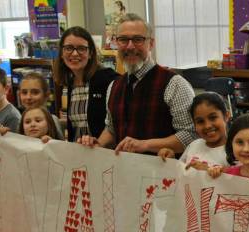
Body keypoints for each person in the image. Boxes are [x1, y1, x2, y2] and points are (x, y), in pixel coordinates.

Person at [77, 14, 196, 155]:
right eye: (123, 40)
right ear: (116, 42)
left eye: (138, 39)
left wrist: (145, 145)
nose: (130, 46)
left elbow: (191, 135)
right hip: (125, 173)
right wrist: (97, 145)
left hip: (162, 174)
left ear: (151, 43)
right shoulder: (114, 86)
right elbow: (111, 129)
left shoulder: (175, 84)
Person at [52, 26, 119, 141]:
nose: (74, 54)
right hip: (79, 154)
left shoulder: (107, 79)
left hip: (103, 153)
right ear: (62, 53)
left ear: (91, 53)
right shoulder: (70, 83)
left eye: (81, 48)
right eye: (68, 48)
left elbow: (116, 125)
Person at [158, 92, 230, 171]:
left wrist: (207, 172)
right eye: (200, 121)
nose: (207, 126)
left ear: (226, 116)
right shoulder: (194, 145)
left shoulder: (234, 151)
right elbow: (180, 172)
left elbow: (237, 180)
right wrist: (171, 160)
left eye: (213, 117)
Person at [18, 72, 64, 137]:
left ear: (46, 95)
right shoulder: (21, 120)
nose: (28, 97)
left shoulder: (52, 120)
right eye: (24, 92)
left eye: (35, 92)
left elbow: (59, 145)